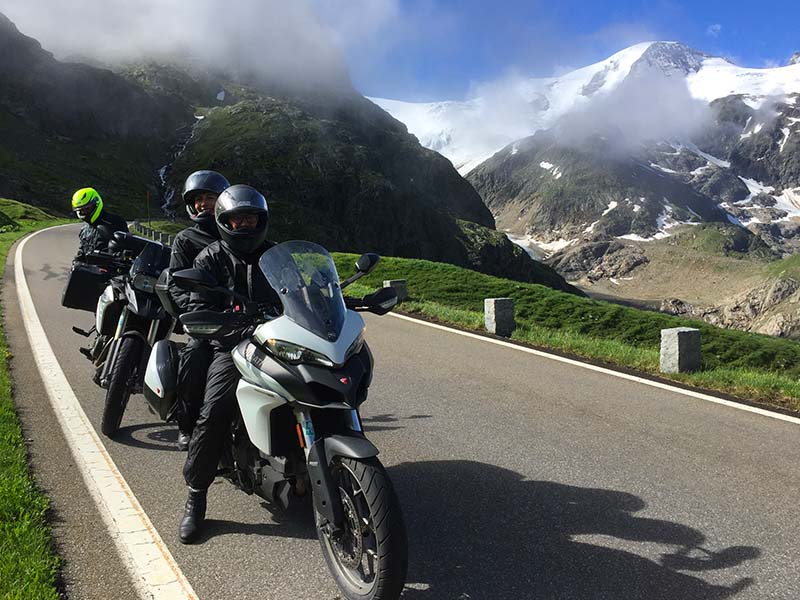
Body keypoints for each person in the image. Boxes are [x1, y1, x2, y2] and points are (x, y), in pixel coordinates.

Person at [179, 184, 281, 544]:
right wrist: (218, 319)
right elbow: (194, 305)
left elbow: (303, 291)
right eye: (236, 220)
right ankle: (196, 495)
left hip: (277, 341)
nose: (244, 225)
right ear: (224, 222)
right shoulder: (209, 258)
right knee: (216, 410)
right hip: (232, 345)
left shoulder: (277, 255)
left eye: (250, 218)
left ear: (261, 219)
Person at [168, 170, 231, 451]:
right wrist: (196, 315)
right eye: (197, 200)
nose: (203, 204)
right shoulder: (185, 240)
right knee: (194, 355)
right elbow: (177, 284)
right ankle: (187, 424)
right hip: (207, 319)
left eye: (209, 197)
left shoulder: (237, 230)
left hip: (246, 316)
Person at [71, 187, 129, 257]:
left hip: (111, 266)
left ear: (96, 203)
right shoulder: (84, 229)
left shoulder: (115, 221)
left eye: (87, 209)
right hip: (88, 266)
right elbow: (83, 250)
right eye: (81, 210)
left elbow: (128, 245)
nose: (84, 212)